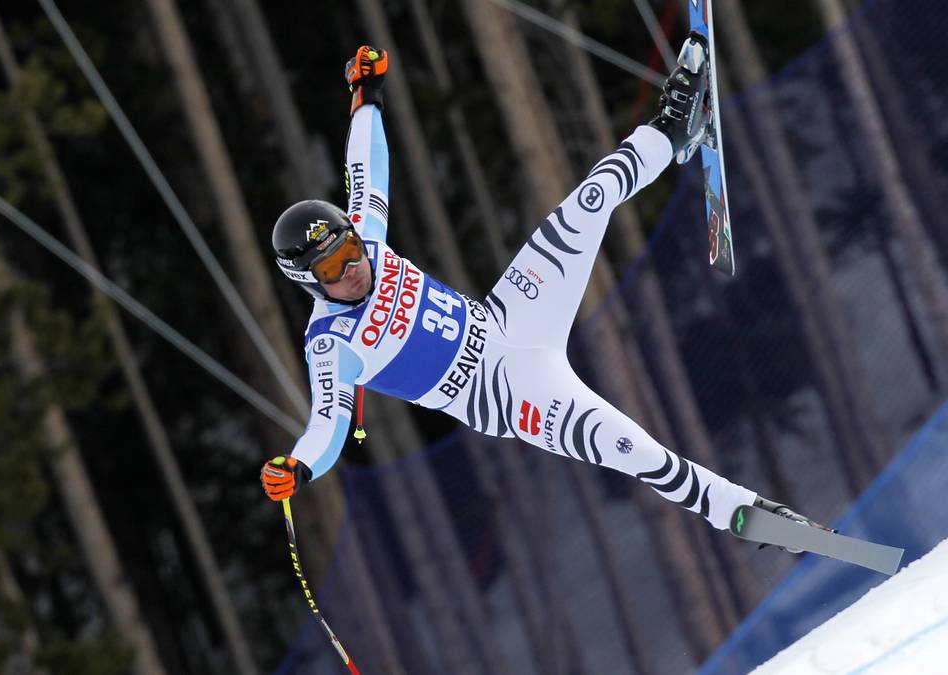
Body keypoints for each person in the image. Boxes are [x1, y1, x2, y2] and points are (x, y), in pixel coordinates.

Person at [261, 42, 823, 540]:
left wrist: (365, 96)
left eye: (350, 249)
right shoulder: (332, 344)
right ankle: (754, 515)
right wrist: (298, 468)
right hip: (508, 392)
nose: (353, 267)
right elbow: (327, 426)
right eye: (333, 268)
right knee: (640, 454)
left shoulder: (370, 246)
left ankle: (673, 133)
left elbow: (366, 170)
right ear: (309, 281)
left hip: (509, 317)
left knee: (587, 200)